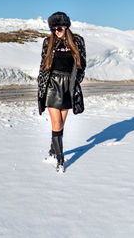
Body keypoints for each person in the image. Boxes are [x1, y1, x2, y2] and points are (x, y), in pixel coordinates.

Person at [37, 11, 86, 173]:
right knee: (56, 123)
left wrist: (76, 83)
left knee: (61, 124)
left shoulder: (77, 41)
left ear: (66, 26)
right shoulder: (48, 42)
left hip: (68, 86)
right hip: (52, 85)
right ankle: (60, 160)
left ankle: (52, 151)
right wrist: (41, 86)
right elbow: (43, 65)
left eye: (59, 28)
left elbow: (82, 65)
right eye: (53, 29)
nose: (56, 31)